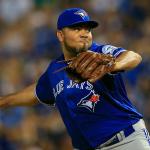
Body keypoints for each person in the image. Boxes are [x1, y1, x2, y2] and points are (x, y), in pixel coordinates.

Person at [0, 8, 150, 150]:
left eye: (87, 29)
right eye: (76, 28)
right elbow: (36, 92)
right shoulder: (54, 70)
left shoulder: (100, 53)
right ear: (60, 35)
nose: (84, 33)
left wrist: (114, 65)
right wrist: (3, 102)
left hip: (125, 141)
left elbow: (133, 57)